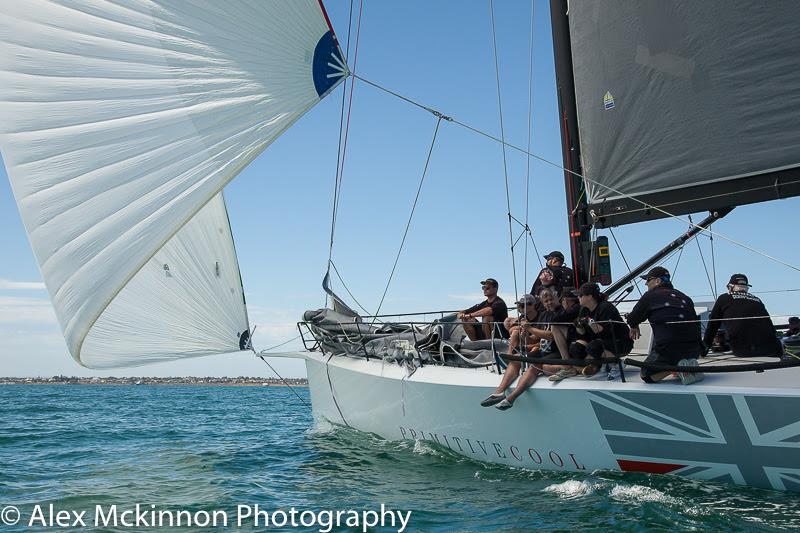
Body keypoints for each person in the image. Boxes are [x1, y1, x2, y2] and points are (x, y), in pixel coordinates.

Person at [626, 266, 704, 384]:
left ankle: (678, 367)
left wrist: (634, 325)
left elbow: (632, 317)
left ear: (658, 281)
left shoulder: (651, 296)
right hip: (695, 349)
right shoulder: (685, 297)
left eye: (648, 280)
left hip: (670, 349)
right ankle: (685, 364)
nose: (646, 284)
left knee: (646, 374)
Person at [481, 292, 557, 411]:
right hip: (543, 349)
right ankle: (499, 392)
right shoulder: (539, 316)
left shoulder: (553, 315)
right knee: (516, 360)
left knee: (533, 364)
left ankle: (511, 398)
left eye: (524, 306)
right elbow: (535, 338)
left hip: (550, 351)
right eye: (546, 301)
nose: (520, 309)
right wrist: (524, 334)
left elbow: (551, 336)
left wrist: (529, 330)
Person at [549, 282, 632, 382]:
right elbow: (582, 335)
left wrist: (590, 322)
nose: (578, 298)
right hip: (599, 340)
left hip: (619, 341)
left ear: (590, 296)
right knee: (576, 348)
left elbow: (605, 333)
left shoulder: (606, 307)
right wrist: (579, 326)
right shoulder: (584, 310)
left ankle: (617, 364)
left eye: (580, 295)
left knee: (593, 347)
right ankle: (599, 365)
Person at [703, 274, 783, 357]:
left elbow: (713, 325)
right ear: (746, 288)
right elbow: (770, 325)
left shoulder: (724, 298)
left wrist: (705, 347)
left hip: (743, 350)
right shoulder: (757, 300)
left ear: (730, 287)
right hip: (769, 349)